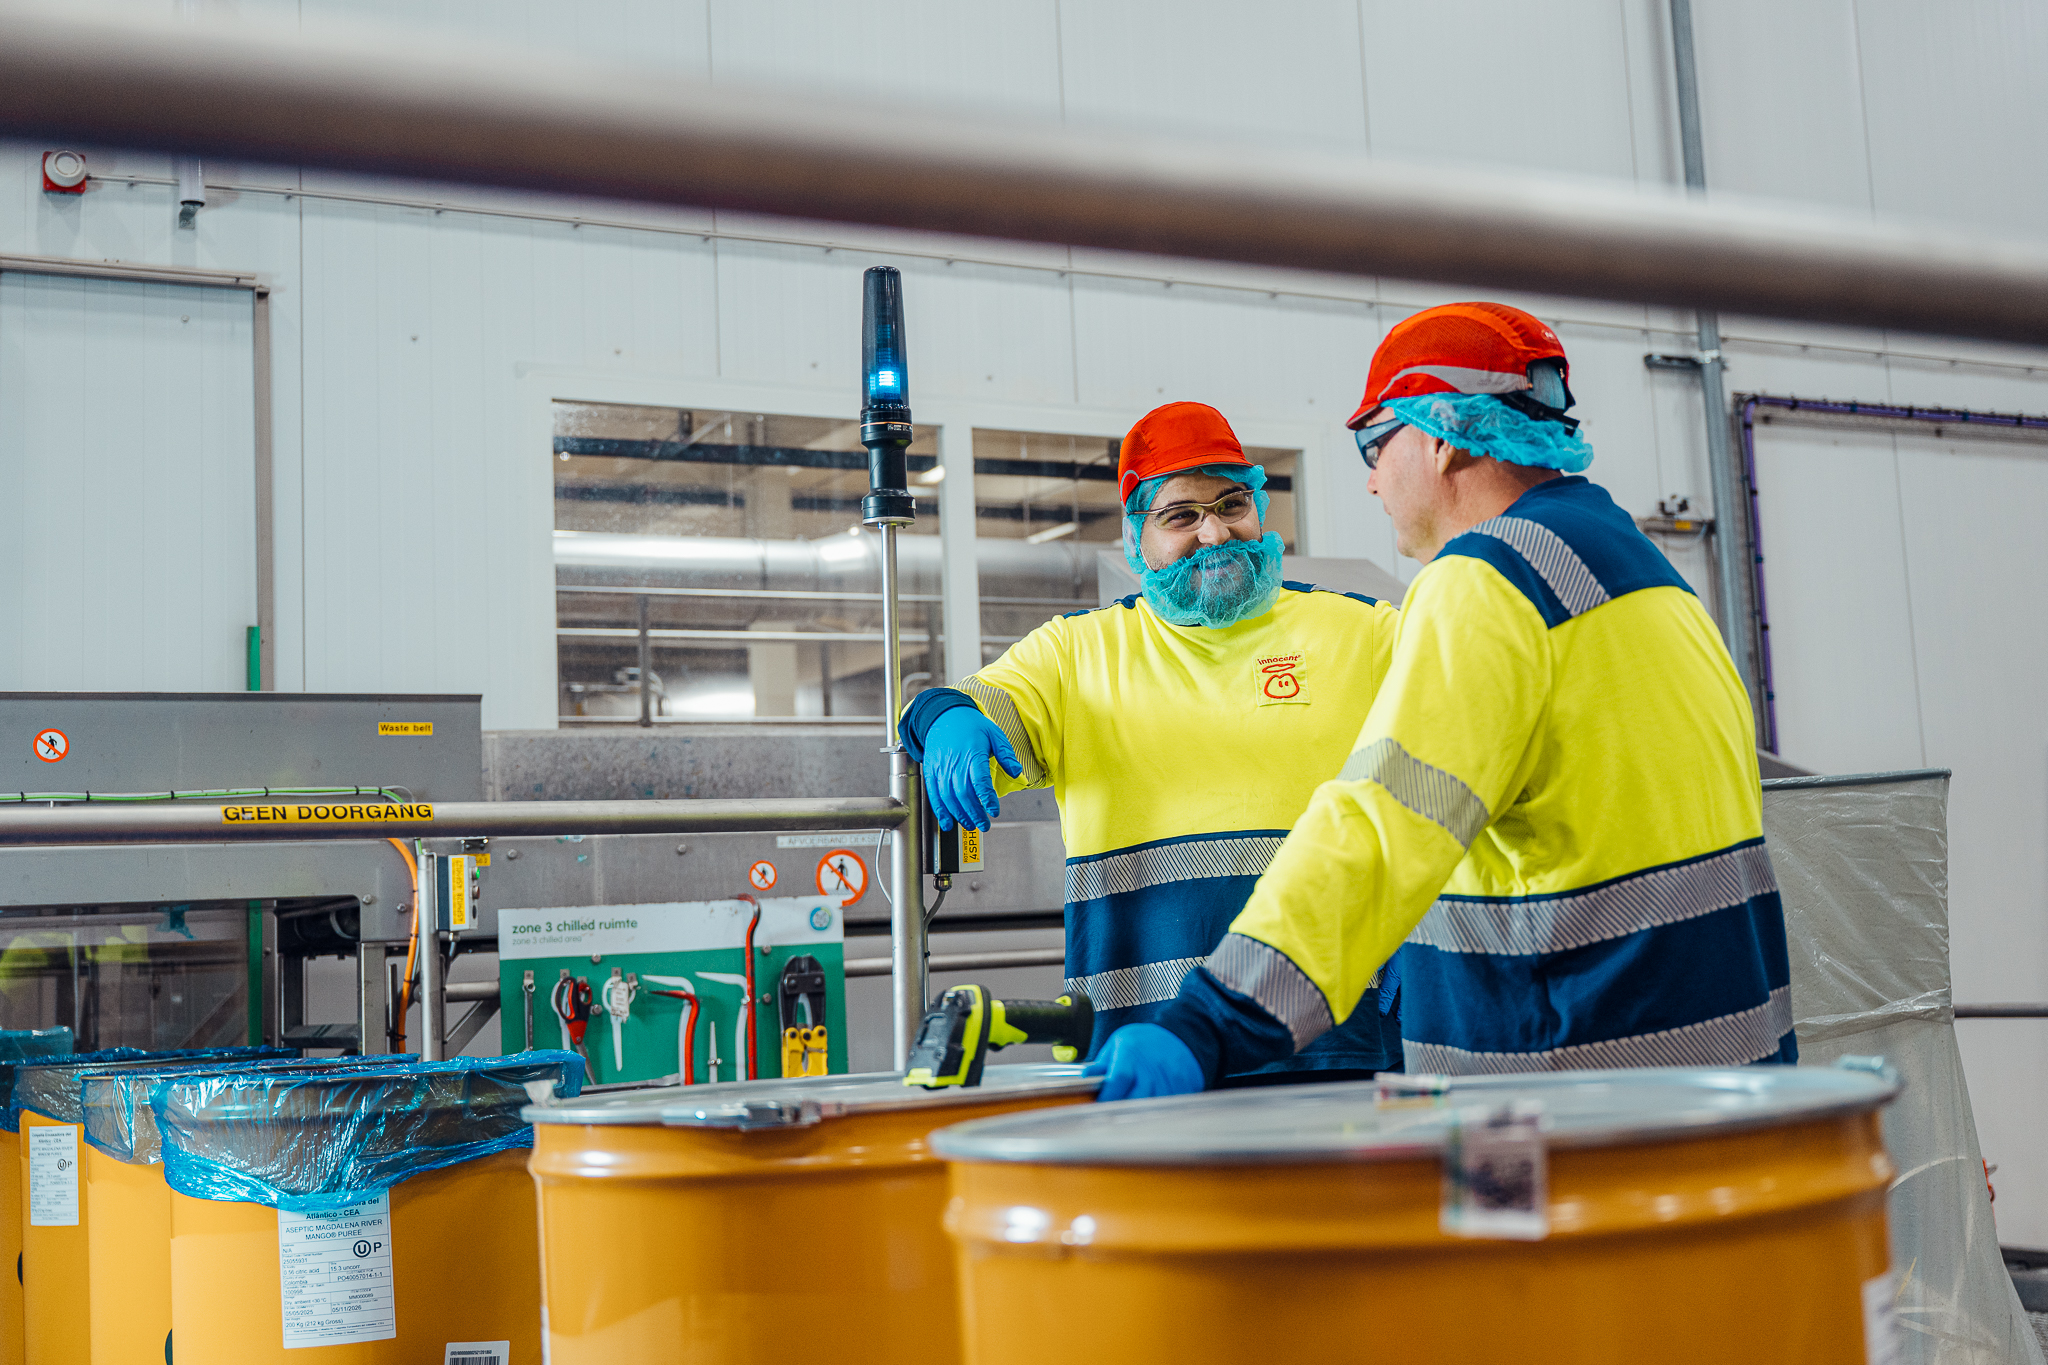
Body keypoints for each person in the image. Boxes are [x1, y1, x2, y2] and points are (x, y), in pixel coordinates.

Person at [1090, 302, 1796, 1100]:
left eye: (1374, 441)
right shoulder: (1644, 573)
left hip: (1569, 1109)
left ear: (1443, 434)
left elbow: (1381, 831)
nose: (1369, 478)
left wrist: (1209, 1024)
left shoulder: (1487, 581)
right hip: (1728, 1092)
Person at [900, 401, 1405, 1082]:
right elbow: (981, 703)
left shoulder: (1364, 635)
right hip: (1143, 1047)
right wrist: (940, 716)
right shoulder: (1078, 655)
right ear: (1137, 538)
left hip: (1337, 1038)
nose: (1216, 533)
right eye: (1181, 516)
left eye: (1233, 504)